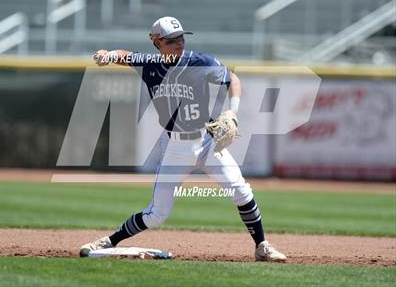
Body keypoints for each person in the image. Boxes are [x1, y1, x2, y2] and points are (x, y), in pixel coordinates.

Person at [80, 16, 286, 262]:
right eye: (171, 40)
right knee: (157, 214)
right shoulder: (149, 64)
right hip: (176, 147)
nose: (179, 43)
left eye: (181, 38)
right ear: (157, 42)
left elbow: (233, 80)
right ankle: (109, 241)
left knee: (241, 191)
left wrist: (232, 111)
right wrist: (108, 54)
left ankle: (262, 246)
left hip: (207, 141)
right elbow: (126, 55)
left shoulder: (200, 62)